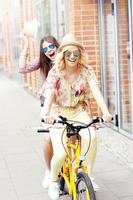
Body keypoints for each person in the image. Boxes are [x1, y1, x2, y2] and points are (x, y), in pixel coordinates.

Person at [42, 33, 112, 200]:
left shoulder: (86, 71)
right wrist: (46, 114)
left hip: (78, 111)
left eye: (76, 53)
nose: (72, 56)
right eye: (68, 53)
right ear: (63, 54)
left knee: (92, 137)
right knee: (61, 153)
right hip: (58, 112)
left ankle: (88, 174)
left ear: (80, 54)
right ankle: (53, 181)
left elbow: (95, 91)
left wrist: (106, 112)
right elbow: (50, 95)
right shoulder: (56, 72)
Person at [19, 34, 60, 188]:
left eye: (51, 46)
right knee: (48, 138)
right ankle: (49, 172)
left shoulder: (66, 58)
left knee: (77, 135)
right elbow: (22, 69)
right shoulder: (43, 62)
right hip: (48, 107)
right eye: (45, 49)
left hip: (68, 105)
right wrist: (26, 45)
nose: (49, 51)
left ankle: (82, 173)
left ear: (57, 45)